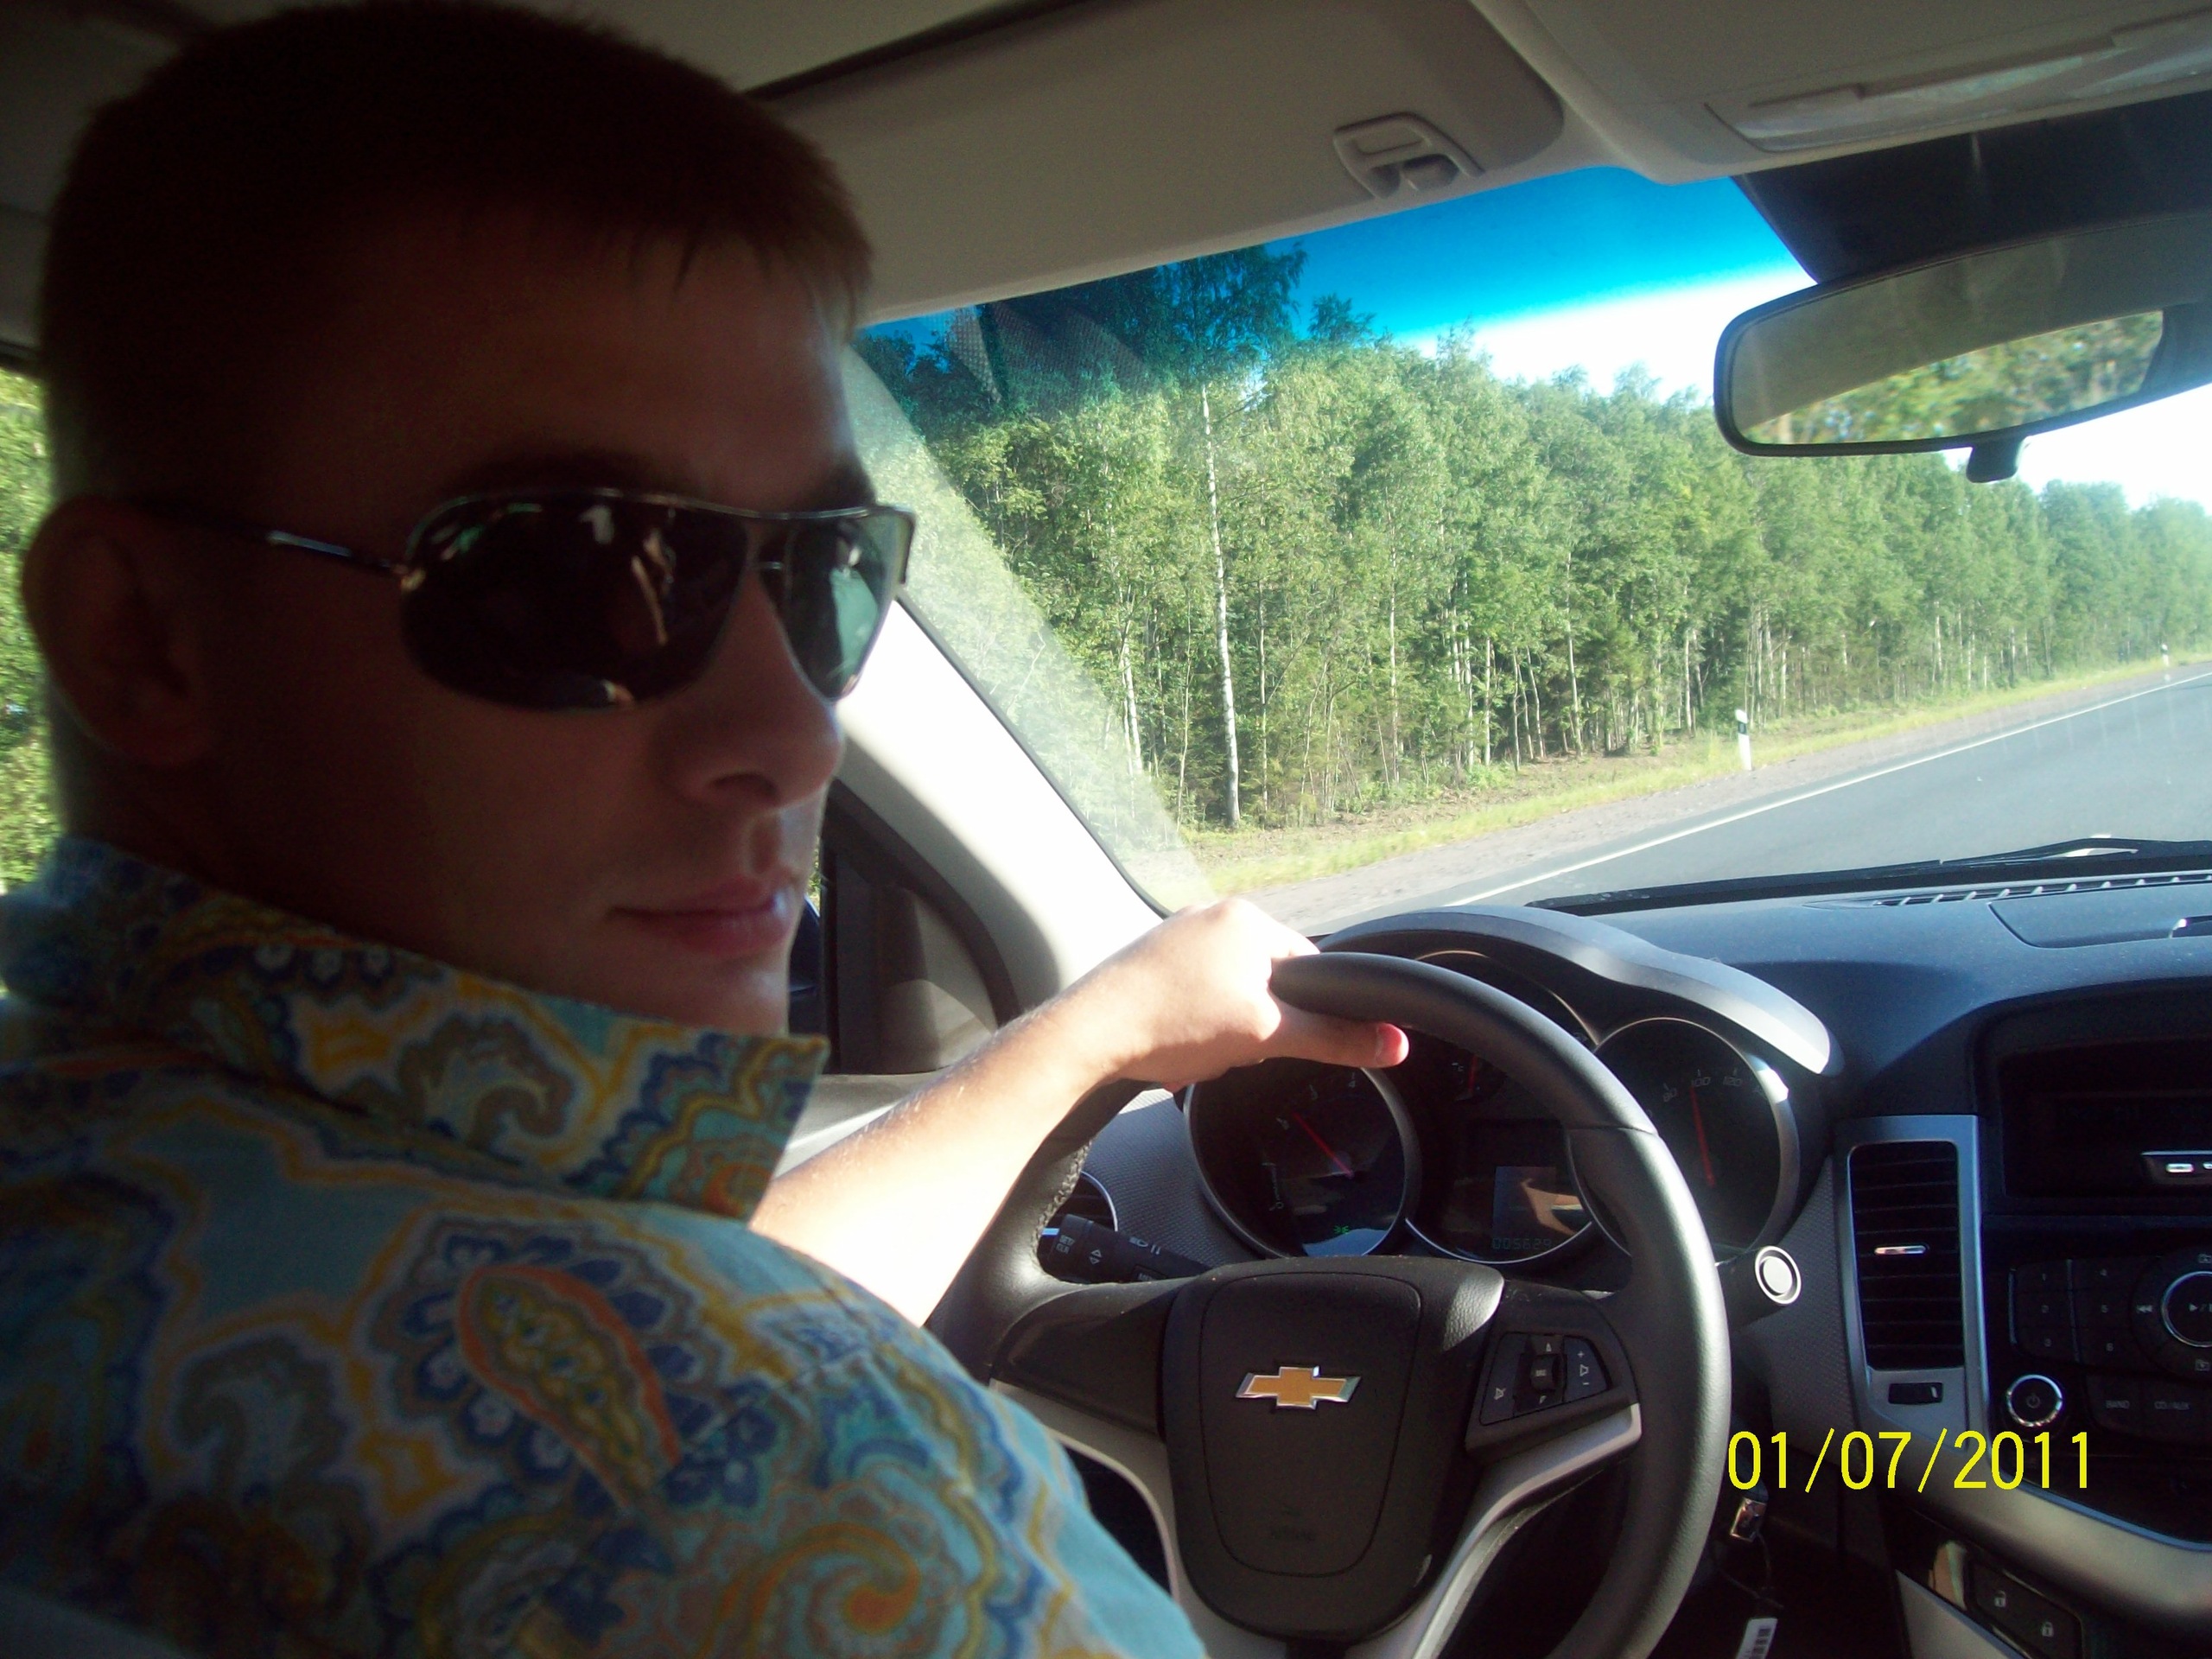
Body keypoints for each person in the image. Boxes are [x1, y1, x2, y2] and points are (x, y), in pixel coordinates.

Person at [0, 3, 1407, 1654]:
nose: (794, 737)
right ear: (143, 641)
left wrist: (1095, 1038)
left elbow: (605, 1302)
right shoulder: (806, 1503)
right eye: (574, 573)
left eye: (823, 570)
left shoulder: (97, 1215)